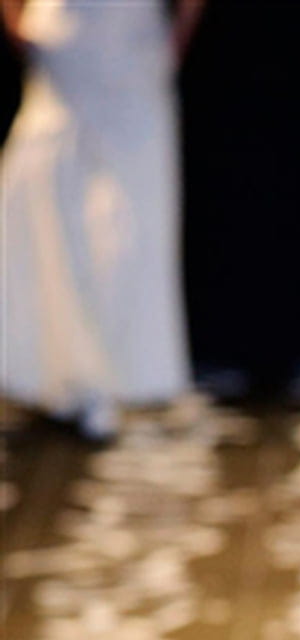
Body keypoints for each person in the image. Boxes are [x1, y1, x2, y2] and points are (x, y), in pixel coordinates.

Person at [0, 0, 203, 441]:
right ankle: (63, 372)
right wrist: (15, 21)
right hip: (66, 41)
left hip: (129, 42)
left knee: (125, 222)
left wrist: (175, 38)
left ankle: (112, 376)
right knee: (51, 208)